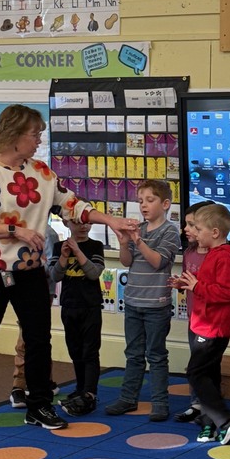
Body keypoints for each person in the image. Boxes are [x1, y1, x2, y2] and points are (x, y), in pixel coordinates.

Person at [0, 104, 137, 431]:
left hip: (29, 268)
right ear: (14, 135)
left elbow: (73, 206)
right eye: (35, 134)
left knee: (38, 337)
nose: (38, 140)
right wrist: (15, 231)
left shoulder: (42, 174)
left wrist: (112, 220)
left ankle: (39, 405)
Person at [104, 179, 181, 422]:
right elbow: (127, 261)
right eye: (140, 201)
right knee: (133, 353)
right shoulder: (140, 229)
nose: (144, 206)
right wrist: (124, 243)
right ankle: (128, 398)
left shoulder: (170, 231)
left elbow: (158, 261)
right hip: (133, 301)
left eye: (150, 200)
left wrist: (137, 240)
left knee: (156, 355)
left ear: (165, 204)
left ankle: (160, 402)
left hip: (156, 304)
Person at [179, 203, 230, 444]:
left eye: (199, 229)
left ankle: (225, 419)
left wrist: (198, 287)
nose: (195, 233)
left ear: (215, 233)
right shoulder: (216, 255)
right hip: (205, 324)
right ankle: (216, 423)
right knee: (205, 373)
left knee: (195, 372)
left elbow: (227, 292)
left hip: (212, 327)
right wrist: (191, 284)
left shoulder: (225, 256)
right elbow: (211, 285)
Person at [50, 216, 106, 417]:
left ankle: (90, 393)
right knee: (75, 350)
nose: (83, 226)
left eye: (87, 222)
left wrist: (78, 252)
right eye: (77, 222)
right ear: (66, 223)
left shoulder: (96, 246)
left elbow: (93, 273)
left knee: (90, 350)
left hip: (90, 306)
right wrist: (65, 256)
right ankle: (80, 388)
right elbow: (55, 276)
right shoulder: (58, 247)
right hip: (69, 305)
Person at [9, 217, 60, 409]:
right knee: (28, 336)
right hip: (24, 287)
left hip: (41, 288)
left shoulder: (47, 233)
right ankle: (18, 386)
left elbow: (51, 266)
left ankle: (44, 380)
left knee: (38, 336)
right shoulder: (14, 229)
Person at [170, 201, 211, 424]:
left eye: (191, 224)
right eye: (185, 224)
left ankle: (210, 405)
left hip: (210, 321)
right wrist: (180, 283)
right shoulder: (189, 252)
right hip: (194, 317)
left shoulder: (217, 255)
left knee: (205, 364)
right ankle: (196, 404)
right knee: (195, 361)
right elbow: (189, 280)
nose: (185, 229)